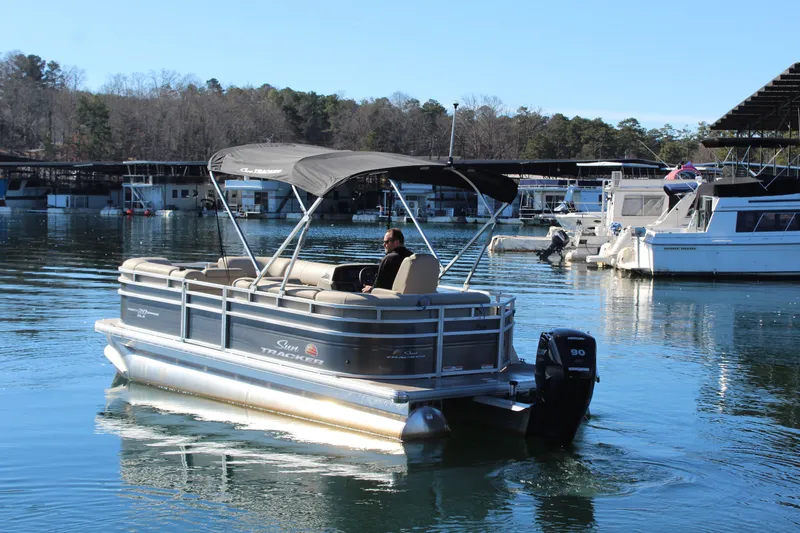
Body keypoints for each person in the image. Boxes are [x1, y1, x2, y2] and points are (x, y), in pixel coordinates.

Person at [362, 228, 413, 292]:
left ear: (396, 242)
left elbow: (379, 286)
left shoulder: (388, 259)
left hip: (391, 298)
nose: (383, 244)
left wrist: (370, 289)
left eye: (386, 242)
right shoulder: (413, 257)